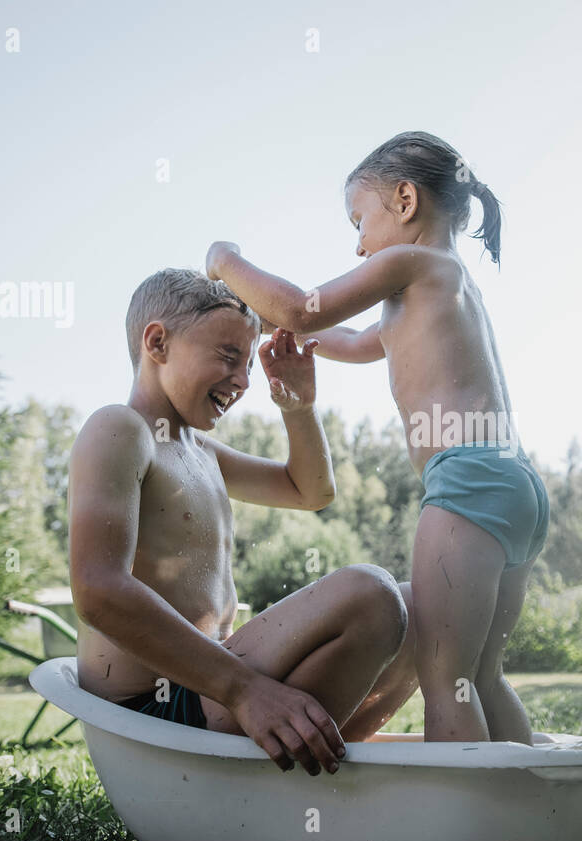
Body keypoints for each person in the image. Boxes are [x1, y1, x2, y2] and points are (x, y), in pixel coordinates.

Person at [206, 131, 548, 743]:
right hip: (514, 487)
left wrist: (224, 262)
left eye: (360, 220)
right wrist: (267, 324)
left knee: (445, 680)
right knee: (481, 677)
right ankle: (534, 813)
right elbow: (341, 339)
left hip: (465, 482)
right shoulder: (444, 285)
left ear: (406, 200)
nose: (358, 244)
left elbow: (306, 310)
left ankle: (467, 835)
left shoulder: (411, 263)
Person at [69, 267, 412, 776]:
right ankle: (294, 766)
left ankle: (326, 759)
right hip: (162, 716)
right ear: (157, 343)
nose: (244, 380)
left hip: (216, 692)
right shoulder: (120, 429)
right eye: (228, 357)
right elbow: (97, 589)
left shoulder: (199, 449)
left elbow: (310, 491)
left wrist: (298, 404)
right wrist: (245, 689)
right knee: (370, 594)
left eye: (249, 363)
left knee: (417, 605)